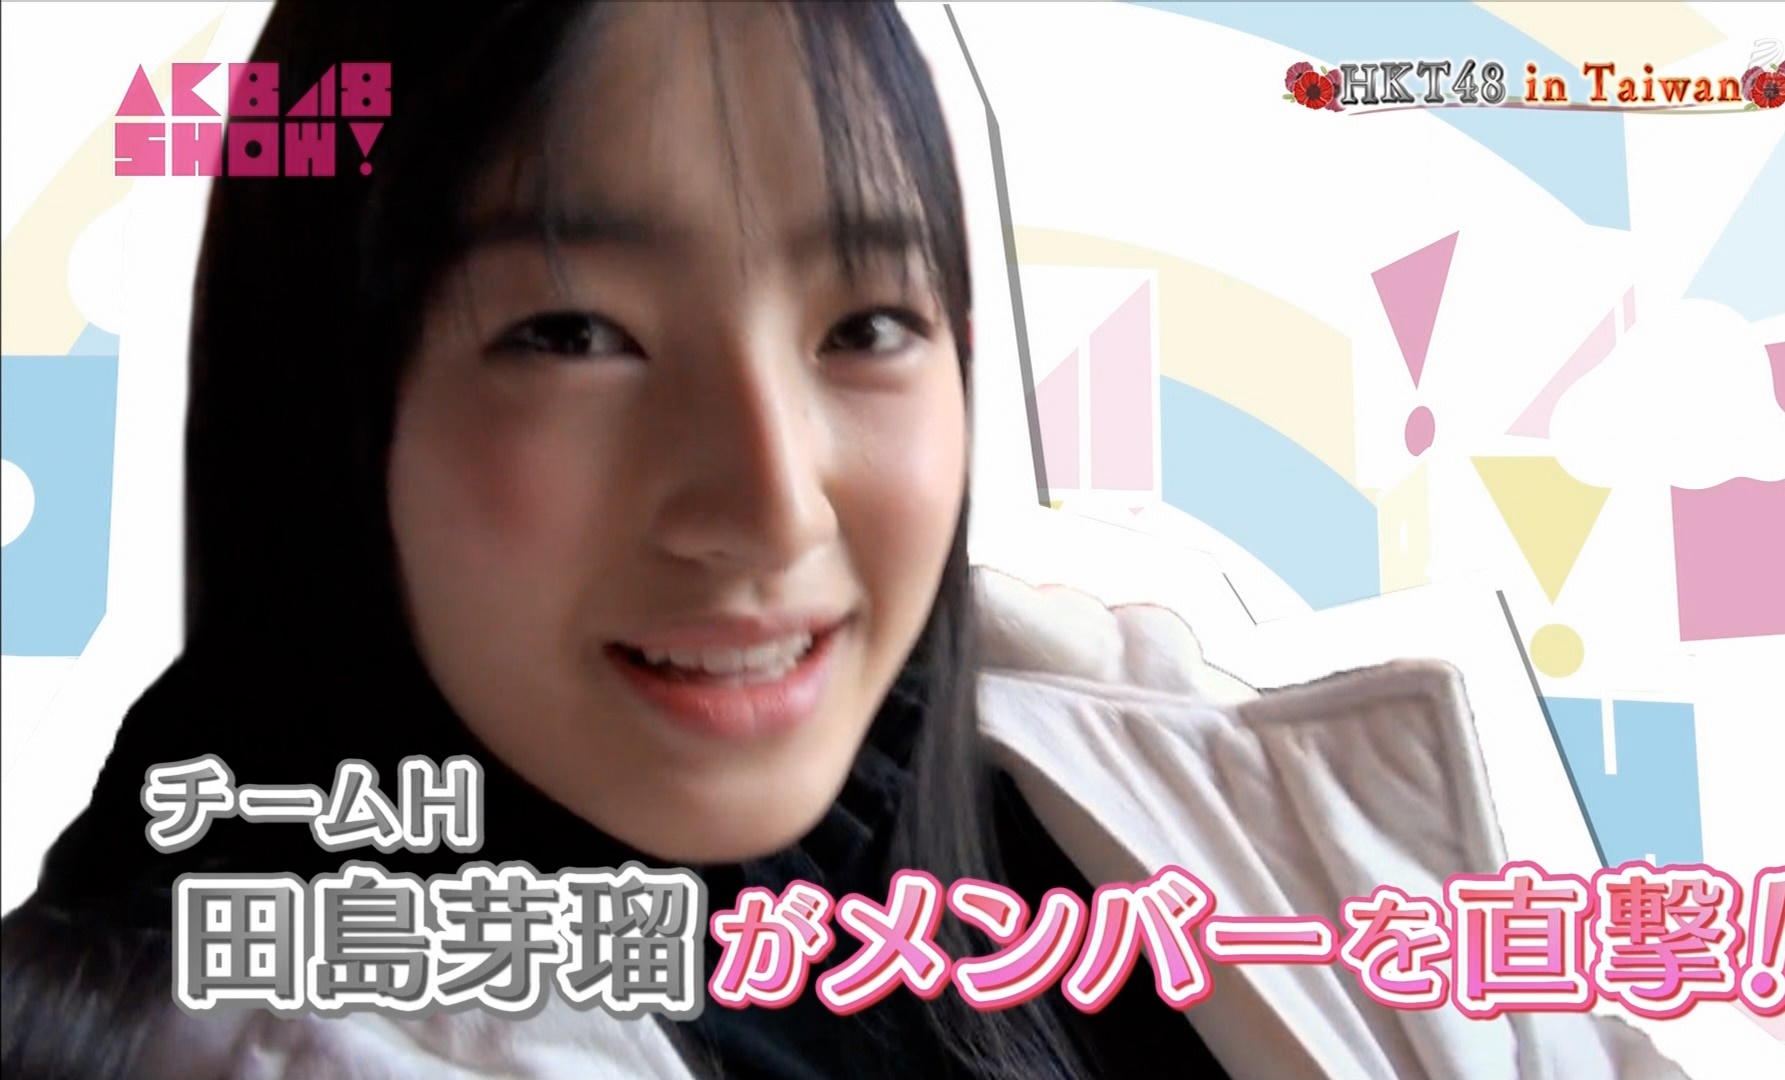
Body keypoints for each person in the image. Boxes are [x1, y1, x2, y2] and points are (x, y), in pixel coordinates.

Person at [1, 4, 1694, 1078]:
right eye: (575, 333)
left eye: (867, 324)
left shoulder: (1156, 784)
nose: (772, 501)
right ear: (325, 407)